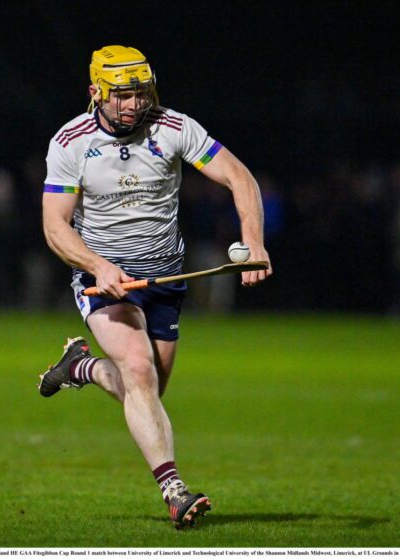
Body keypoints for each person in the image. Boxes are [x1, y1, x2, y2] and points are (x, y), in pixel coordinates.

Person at [38, 45, 272, 529]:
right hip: (103, 278)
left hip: (165, 278)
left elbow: (240, 177)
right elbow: (55, 227)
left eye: (140, 92)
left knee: (146, 389)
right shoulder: (70, 142)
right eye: (122, 95)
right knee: (139, 371)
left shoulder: (174, 128)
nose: (134, 103)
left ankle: (79, 367)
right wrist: (97, 265)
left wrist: (254, 242)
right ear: (96, 93)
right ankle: (175, 491)